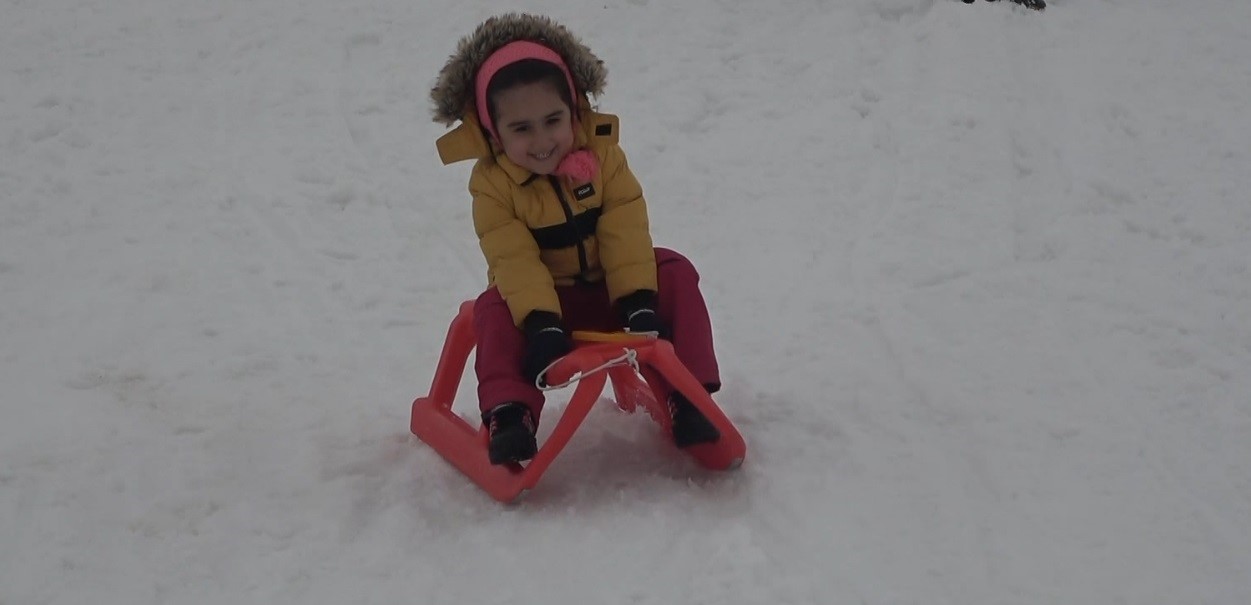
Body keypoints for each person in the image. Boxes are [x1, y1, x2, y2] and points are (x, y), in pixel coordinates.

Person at [430, 13, 725, 465]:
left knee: (675, 270)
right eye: (521, 129)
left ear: (576, 111)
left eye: (553, 120)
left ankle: (690, 396)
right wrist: (542, 323)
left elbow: (625, 226)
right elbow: (513, 259)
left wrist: (638, 300)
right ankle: (511, 415)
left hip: (614, 292)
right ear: (493, 132)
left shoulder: (603, 156)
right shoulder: (492, 185)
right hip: (545, 309)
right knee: (492, 309)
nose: (543, 140)